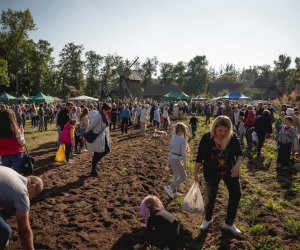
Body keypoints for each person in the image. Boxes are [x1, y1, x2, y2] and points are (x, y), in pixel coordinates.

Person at [194, 116, 243, 236]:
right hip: (211, 171)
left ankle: (229, 223)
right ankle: (208, 219)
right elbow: (199, 157)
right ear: (214, 128)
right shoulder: (207, 138)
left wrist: (236, 166)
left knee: (236, 194)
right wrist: (195, 173)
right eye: (220, 130)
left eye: (226, 131)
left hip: (229, 170)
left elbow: (240, 155)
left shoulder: (232, 137)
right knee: (210, 196)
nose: (223, 133)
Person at [0, 167, 43, 249]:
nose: (32, 197)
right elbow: (24, 232)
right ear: (33, 187)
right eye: (34, 194)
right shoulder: (22, 194)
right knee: (4, 232)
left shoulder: (13, 173)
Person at [164, 123, 189, 198]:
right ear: (183, 130)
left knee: (176, 175)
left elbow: (169, 148)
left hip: (171, 158)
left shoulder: (173, 137)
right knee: (184, 177)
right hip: (176, 160)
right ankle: (169, 187)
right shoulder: (183, 140)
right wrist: (185, 163)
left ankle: (174, 192)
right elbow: (183, 154)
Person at [86, 103, 112, 177]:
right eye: (108, 111)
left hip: (103, 137)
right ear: (104, 110)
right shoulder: (98, 116)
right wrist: (86, 133)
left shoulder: (104, 116)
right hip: (97, 138)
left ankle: (95, 163)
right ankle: (93, 170)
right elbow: (91, 125)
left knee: (107, 150)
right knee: (97, 153)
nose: (108, 113)